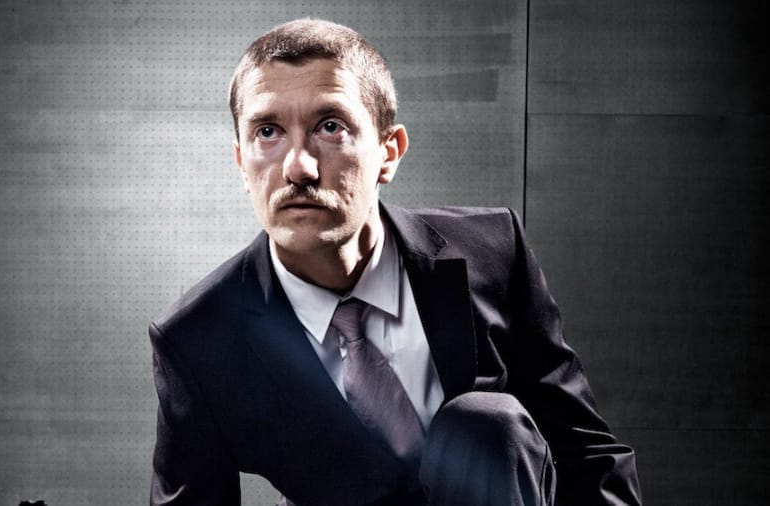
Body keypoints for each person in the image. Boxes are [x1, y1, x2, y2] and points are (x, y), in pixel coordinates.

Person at [148, 18, 641, 505]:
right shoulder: (199, 337)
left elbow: (586, 452)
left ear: (389, 151)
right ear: (241, 160)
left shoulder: (492, 250)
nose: (298, 166)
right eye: (268, 131)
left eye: (330, 126)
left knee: (484, 424)